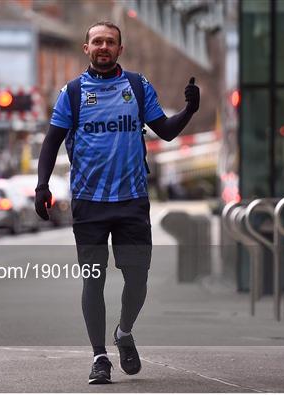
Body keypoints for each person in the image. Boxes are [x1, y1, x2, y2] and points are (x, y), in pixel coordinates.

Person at [35, 21, 200, 384]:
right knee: (93, 281)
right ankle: (99, 358)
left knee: (137, 278)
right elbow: (51, 141)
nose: (103, 47)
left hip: (132, 201)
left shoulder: (138, 87)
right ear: (86, 48)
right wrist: (42, 185)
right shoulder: (73, 93)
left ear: (120, 49)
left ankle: (124, 332)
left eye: (110, 42)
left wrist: (189, 110)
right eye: (97, 41)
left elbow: (166, 132)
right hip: (89, 202)